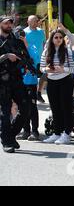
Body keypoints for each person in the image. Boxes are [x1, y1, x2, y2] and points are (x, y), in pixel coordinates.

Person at [0, 16, 31, 153]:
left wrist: (26, 62)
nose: (9, 25)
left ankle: (11, 135)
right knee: (5, 112)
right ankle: (6, 141)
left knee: (26, 108)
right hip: (2, 80)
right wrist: (7, 56)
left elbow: (26, 57)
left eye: (11, 22)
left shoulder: (16, 40)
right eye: (6, 22)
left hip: (17, 79)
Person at [41, 29, 74, 145]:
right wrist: (47, 69)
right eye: (56, 37)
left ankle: (66, 133)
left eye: (60, 38)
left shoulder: (67, 51)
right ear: (51, 39)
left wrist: (63, 69)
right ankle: (57, 133)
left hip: (65, 81)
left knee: (66, 108)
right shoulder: (46, 51)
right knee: (55, 108)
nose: (58, 40)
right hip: (51, 81)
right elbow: (41, 67)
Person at [17, 25, 41, 141]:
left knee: (32, 106)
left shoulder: (31, 46)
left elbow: (36, 60)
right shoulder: (13, 48)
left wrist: (26, 45)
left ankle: (35, 131)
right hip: (18, 81)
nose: (20, 38)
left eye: (22, 36)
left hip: (30, 81)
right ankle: (25, 130)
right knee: (22, 107)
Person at [24, 15, 46, 104]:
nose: (35, 22)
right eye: (33, 21)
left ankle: (39, 92)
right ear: (28, 22)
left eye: (36, 20)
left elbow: (44, 44)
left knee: (45, 75)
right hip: (30, 60)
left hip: (41, 58)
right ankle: (33, 95)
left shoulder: (41, 32)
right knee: (32, 78)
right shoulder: (24, 32)